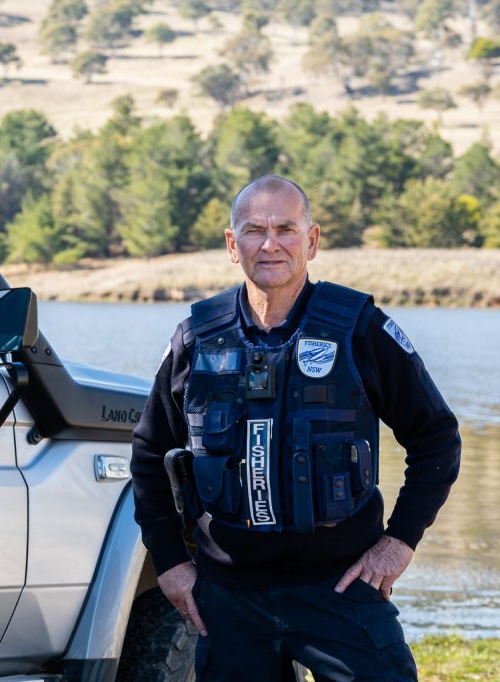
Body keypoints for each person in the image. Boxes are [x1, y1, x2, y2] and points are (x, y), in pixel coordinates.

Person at [130, 175, 460, 680]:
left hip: (341, 587)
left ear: (312, 240)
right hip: (229, 595)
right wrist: (171, 561)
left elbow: (436, 437)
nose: (270, 243)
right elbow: (151, 453)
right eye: (253, 230)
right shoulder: (197, 336)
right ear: (231, 245)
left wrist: (399, 542)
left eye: (286, 228)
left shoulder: (359, 328)